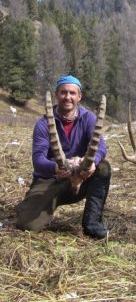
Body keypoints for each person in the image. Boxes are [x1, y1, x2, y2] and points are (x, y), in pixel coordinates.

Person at [16, 75, 111, 239]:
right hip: (50, 180)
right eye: (63, 92)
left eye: (72, 93)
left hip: (81, 176)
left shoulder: (88, 118)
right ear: (56, 95)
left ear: (79, 97)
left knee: (103, 168)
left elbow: (100, 146)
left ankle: (92, 224)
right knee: (27, 225)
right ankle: (31, 206)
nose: (68, 97)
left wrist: (92, 163)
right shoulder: (42, 124)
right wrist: (56, 167)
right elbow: (38, 160)